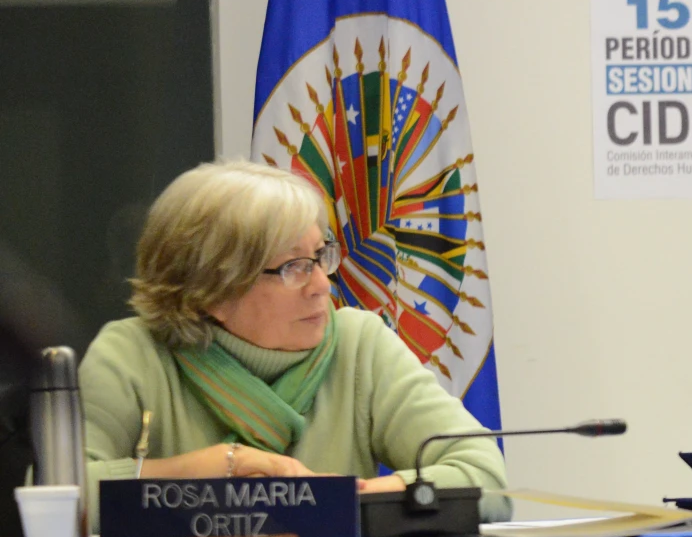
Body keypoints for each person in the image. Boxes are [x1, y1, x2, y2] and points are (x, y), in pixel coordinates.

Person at [80, 161, 504, 509]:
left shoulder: (359, 345)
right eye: (293, 267)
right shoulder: (131, 355)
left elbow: (483, 476)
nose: (322, 284)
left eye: (320, 257)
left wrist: (344, 503)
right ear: (211, 290)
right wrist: (217, 467)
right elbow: (62, 499)